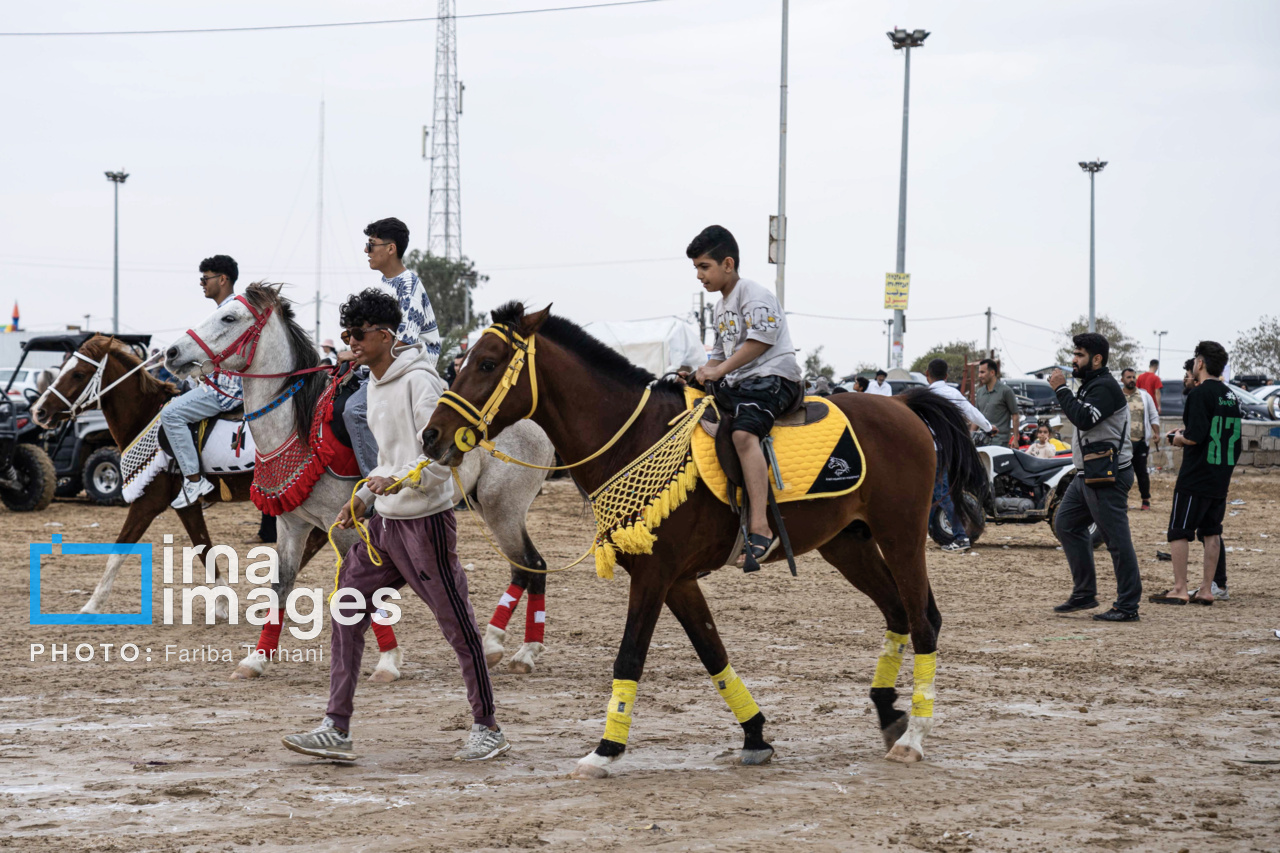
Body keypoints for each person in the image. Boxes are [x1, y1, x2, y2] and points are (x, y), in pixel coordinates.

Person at [282, 288, 510, 763]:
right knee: (346, 612)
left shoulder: (421, 383)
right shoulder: (373, 384)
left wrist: (394, 481)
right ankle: (335, 727)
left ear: (385, 335)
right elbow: (386, 461)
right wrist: (362, 497)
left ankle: (488, 729)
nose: (351, 342)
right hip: (383, 528)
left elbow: (443, 457)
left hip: (425, 526)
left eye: (359, 334)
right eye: (347, 334)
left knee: (458, 627)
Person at [687, 225, 803, 569]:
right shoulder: (721, 308)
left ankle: (761, 528)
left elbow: (761, 342)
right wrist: (701, 371)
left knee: (742, 434)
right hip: (742, 382)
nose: (699, 276)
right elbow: (719, 354)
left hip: (773, 379)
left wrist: (719, 372)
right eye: (695, 268)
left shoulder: (754, 294)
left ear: (727, 263)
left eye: (703, 267)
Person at [1048, 333, 1142, 622]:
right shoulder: (1091, 384)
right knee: (1066, 524)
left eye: (1079, 355)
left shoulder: (1104, 387)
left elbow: (1085, 418)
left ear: (1097, 359)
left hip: (1107, 475)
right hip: (1088, 473)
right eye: (1074, 354)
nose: (1073, 360)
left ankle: (1127, 606)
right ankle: (1085, 593)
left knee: (1116, 540)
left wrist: (1061, 389)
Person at [342, 217, 442, 476]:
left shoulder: (408, 285)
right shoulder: (384, 284)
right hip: (388, 365)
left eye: (371, 244)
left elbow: (403, 344)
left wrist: (354, 354)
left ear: (391, 248)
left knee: (355, 410)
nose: (366, 251)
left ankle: (374, 487)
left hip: (411, 370)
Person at [1149, 341, 1241, 606]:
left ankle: (1179, 588)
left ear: (1199, 363)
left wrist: (1177, 438)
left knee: (1180, 529)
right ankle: (1206, 589)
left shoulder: (1200, 394)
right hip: (1220, 474)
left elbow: (1195, 436)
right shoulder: (1230, 395)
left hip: (1196, 475)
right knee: (1211, 531)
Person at [161, 255, 244, 509]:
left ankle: (194, 480)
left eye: (205, 278)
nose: (201, 283)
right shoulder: (227, 312)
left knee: (171, 414)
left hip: (225, 391)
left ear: (222, 279)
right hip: (225, 384)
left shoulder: (230, 313)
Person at [925, 358, 992, 552]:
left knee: (941, 493)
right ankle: (923, 536)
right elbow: (972, 413)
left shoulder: (925, 395)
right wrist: (989, 427)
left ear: (928, 375)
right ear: (946, 376)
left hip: (930, 451)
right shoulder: (952, 393)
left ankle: (961, 537)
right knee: (932, 493)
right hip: (947, 450)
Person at [1120, 367, 1161, 510]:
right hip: (1122, 444)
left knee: (1142, 472)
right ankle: (1121, 501)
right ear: (1122, 380)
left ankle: (1145, 500)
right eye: (1128, 377)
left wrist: (1156, 433)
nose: (1131, 380)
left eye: (1133, 377)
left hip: (1140, 441)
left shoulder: (1144, 396)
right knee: (1121, 473)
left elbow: (1153, 415)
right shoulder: (1117, 396)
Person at [976, 358, 1021, 449]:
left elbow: (1015, 415)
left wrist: (1015, 439)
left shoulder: (1006, 391)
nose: (979, 375)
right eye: (979, 372)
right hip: (982, 441)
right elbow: (976, 416)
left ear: (992, 373)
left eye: (982, 372)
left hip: (1000, 443)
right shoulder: (980, 392)